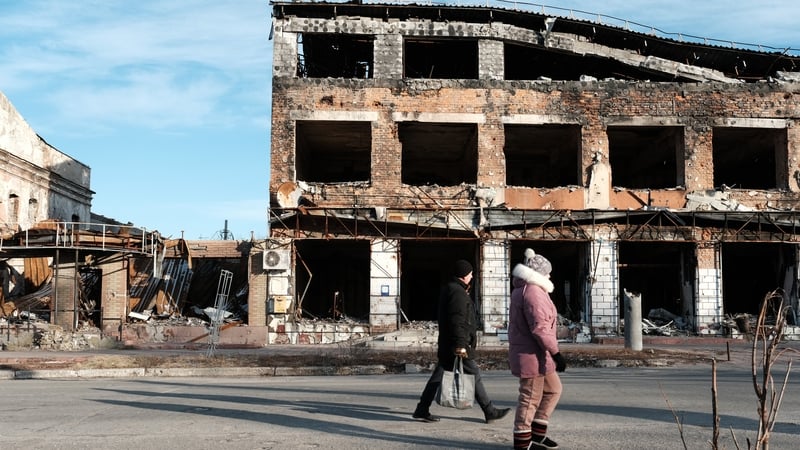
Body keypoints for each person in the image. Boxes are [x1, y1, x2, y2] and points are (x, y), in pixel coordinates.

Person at [413, 259, 511, 424]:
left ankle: (422, 409)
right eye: (470, 273)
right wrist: (460, 345)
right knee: (474, 374)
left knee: (438, 376)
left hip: (449, 343)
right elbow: (457, 320)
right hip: (457, 345)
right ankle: (490, 411)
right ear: (464, 275)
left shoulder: (451, 289)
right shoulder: (457, 293)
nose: (472, 276)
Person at [508, 249, 565, 450]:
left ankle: (537, 434)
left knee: (553, 389)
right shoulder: (533, 292)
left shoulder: (530, 289)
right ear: (539, 274)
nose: (549, 276)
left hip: (539, 354)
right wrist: (556, 353)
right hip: (532, 355)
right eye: (547, 273)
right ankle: (522, 443)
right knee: (529, 398)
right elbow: (540, 328)